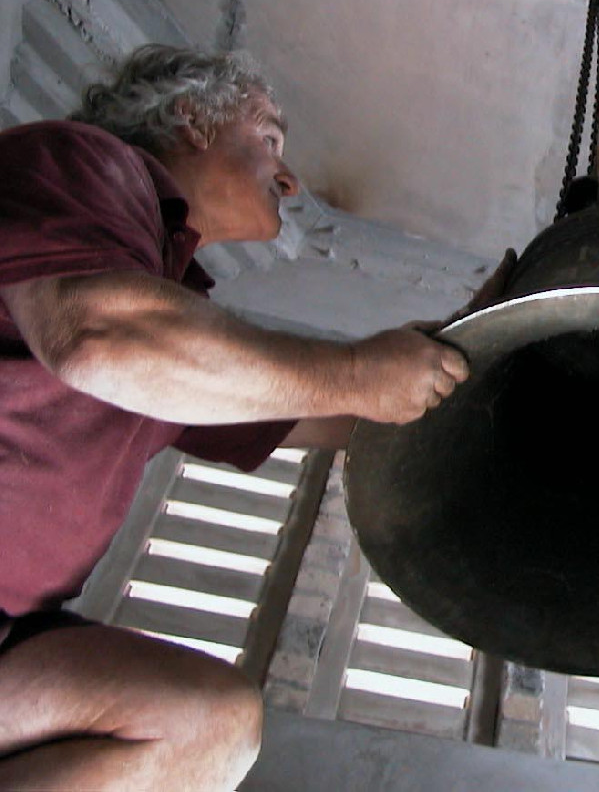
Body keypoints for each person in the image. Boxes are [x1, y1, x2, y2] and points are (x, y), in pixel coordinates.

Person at [0, 45, 504, 790]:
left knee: (211, 726)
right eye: (269, 136)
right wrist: (358, 372)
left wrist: (474, 349)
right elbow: (96, 335)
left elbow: (334, 413)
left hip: (12, 636)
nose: (290, 178)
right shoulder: (86, 161)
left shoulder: (175, 313)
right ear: (191, 119)